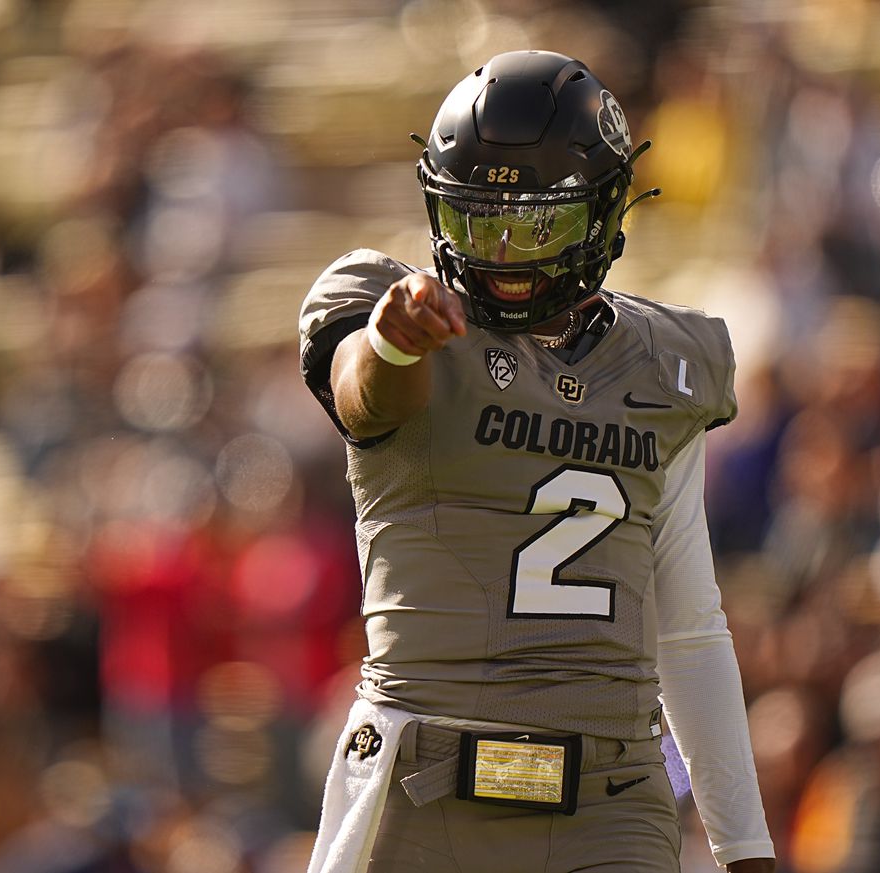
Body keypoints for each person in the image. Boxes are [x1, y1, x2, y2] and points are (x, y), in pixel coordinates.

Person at [298, 50, 775, 873]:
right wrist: (391, 340)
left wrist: (745, 847)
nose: (504, 255)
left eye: (535, 225)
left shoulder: (664, 362)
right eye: (478, 223)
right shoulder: (400, 309)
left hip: (613, 801)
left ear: (602, 212)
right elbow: (363, 395)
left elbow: (688, 623)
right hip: (423, 783)